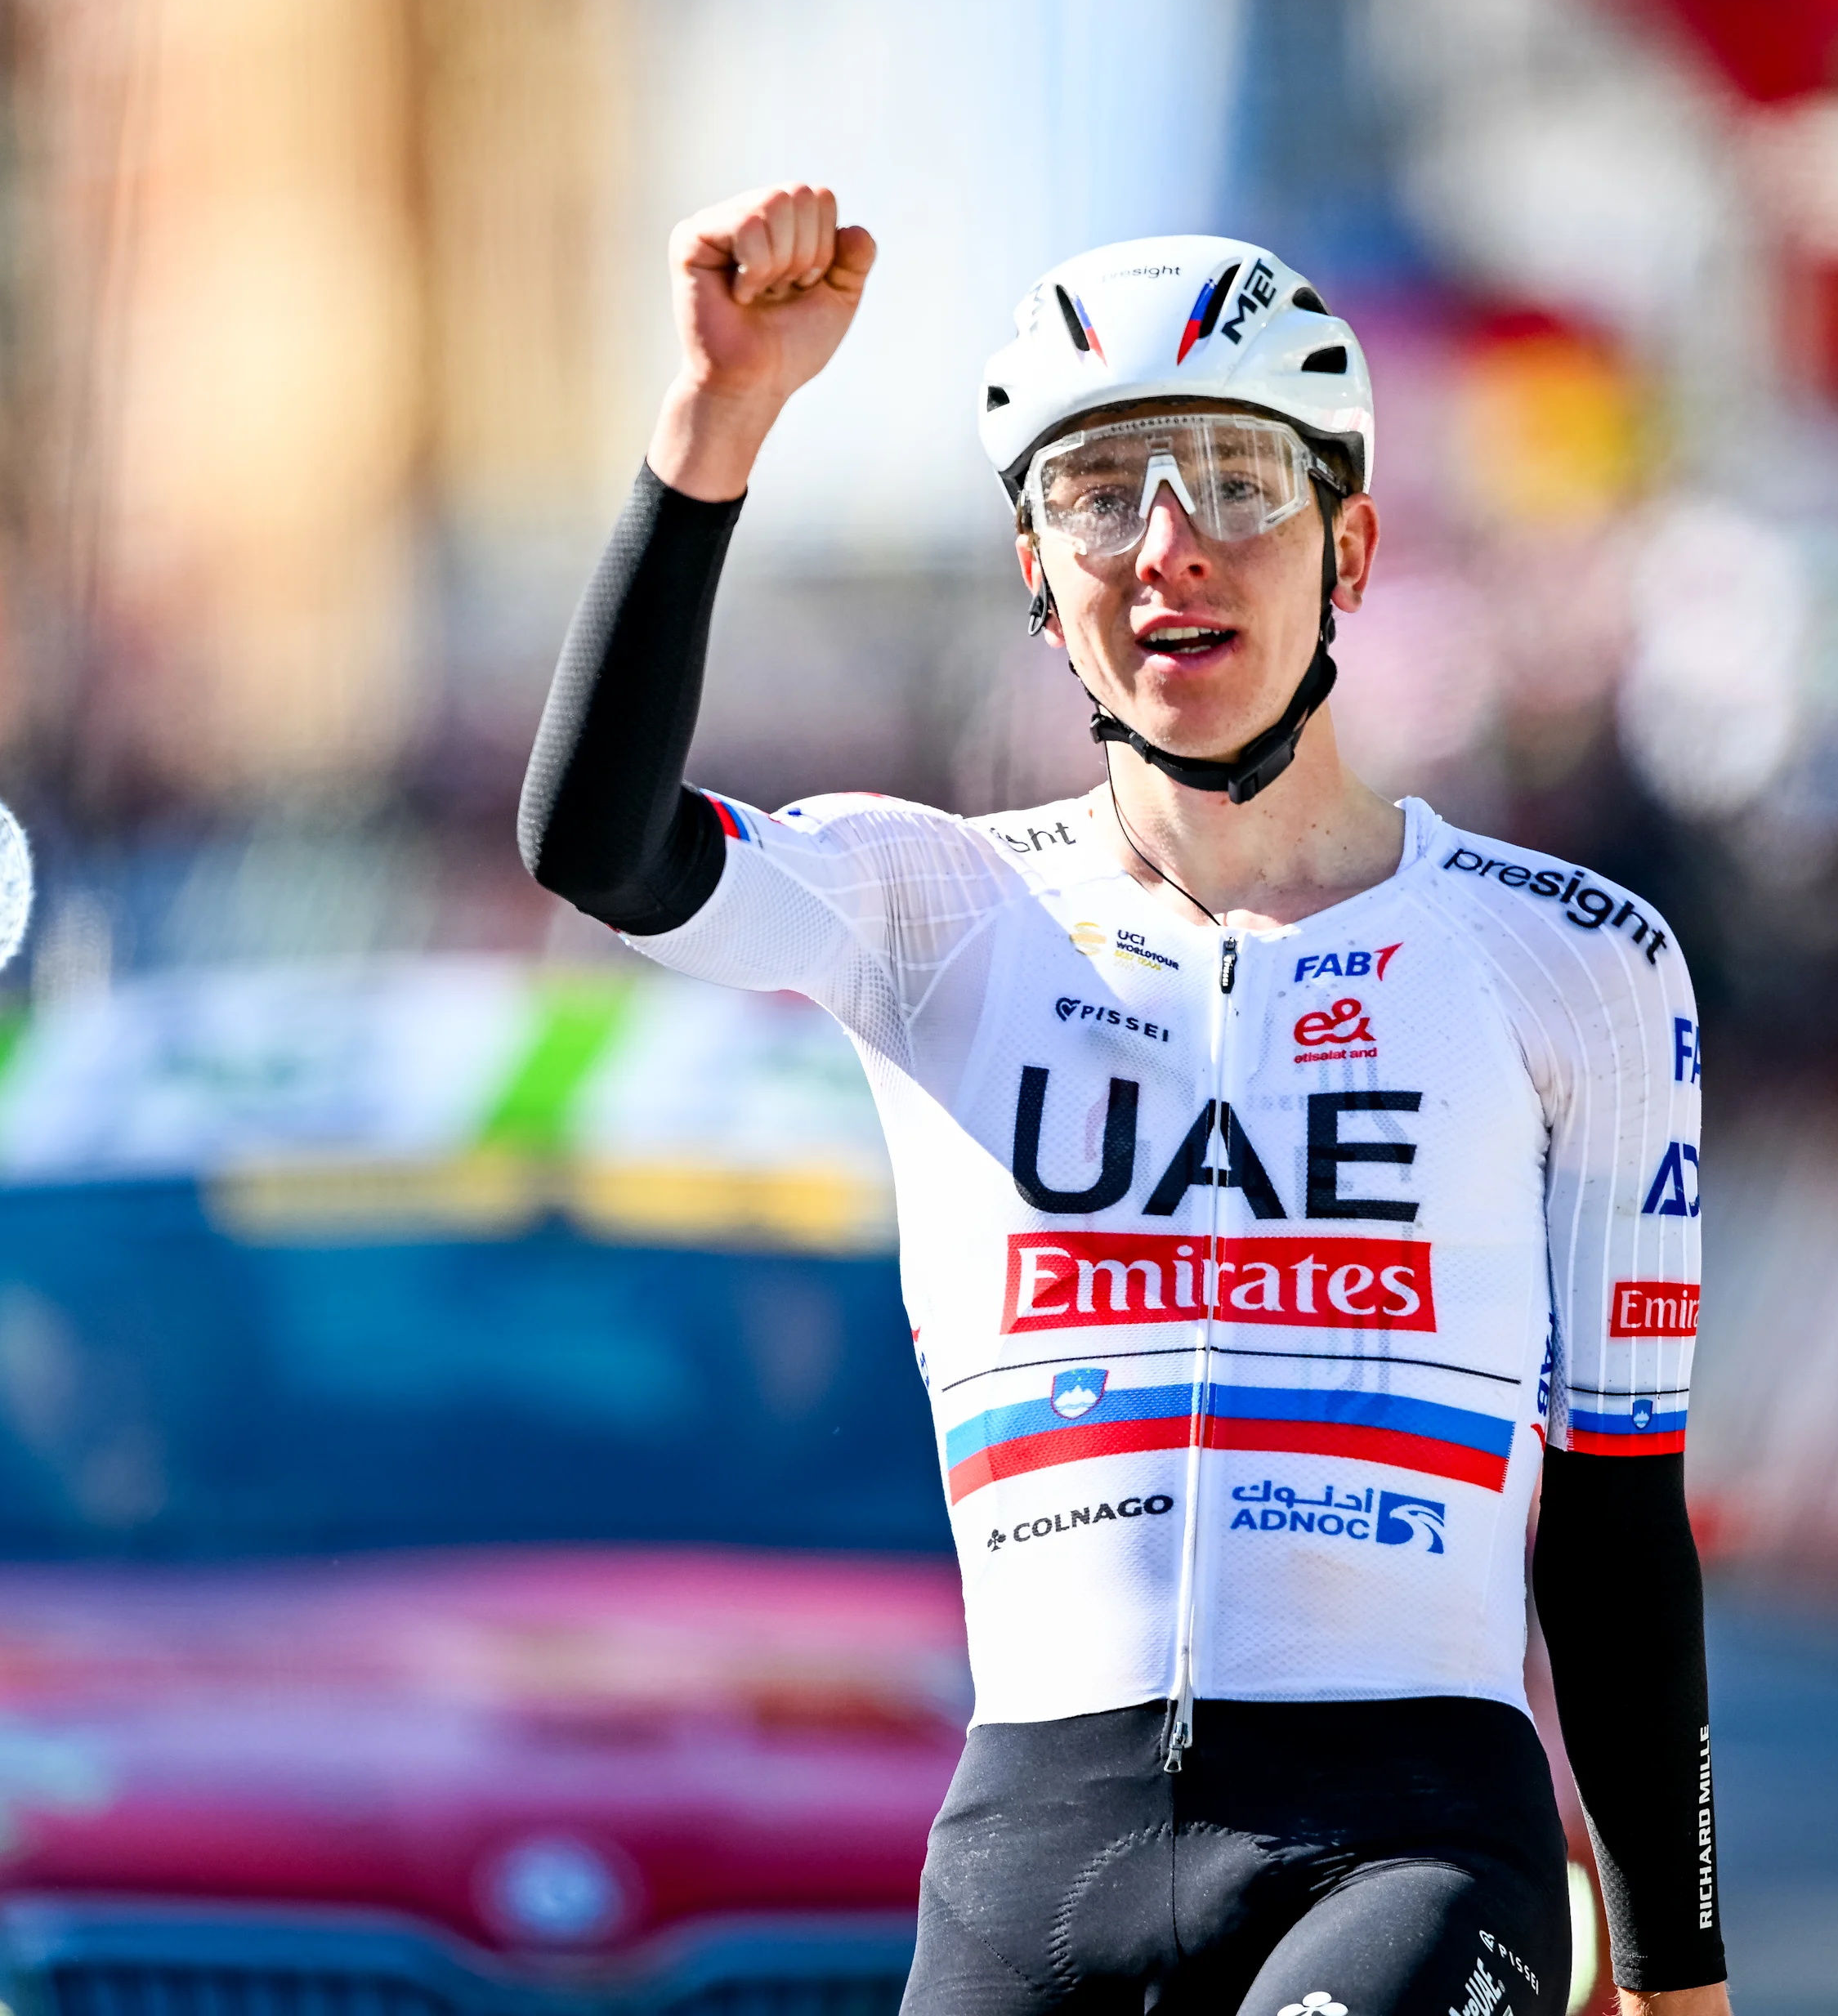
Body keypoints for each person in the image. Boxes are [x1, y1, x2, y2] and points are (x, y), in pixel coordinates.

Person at [523, 182, 1729, 2016]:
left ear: (1355, 542)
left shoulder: (1570, 956)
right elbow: (598, 845)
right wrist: (717, 424)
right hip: (1037, 1850)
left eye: (1242, 479)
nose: (1172, 544)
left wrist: (1676, 1975)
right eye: (1100, 495)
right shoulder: (935, 907)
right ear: (1034, 574)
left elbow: (1625, 1517)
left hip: (1408, 1841)